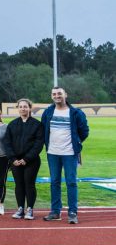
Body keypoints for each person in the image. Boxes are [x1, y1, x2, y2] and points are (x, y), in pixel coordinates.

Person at [41, 87, 89, 224]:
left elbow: (84, 130)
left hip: (70, 153)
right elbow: (43, 128)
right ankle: (55, 211)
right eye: (54, 94)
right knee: (54, 182)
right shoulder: (48, 111)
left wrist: (76, 143)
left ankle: (72, 212)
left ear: (65, 95)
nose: (57, 96)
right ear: (51, 96)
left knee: (71, 182)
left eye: (59, 94)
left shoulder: (75, 112)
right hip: (52, 153)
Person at [3, 99, 44, 220]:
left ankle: (30, 209)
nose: (23, 109)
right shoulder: (12, 124)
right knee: (19, 185)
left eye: (25, 106)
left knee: (29, 184)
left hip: (31, 161)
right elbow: (7, 143)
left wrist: (26, 158)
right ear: (18, 108)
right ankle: (20, 208)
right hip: (15, 161)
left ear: (30, 108)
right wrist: (13, 158)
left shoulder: (37, 124)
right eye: (20, 107)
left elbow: (38, 144)